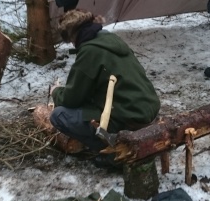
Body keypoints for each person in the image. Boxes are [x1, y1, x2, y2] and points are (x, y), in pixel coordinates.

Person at [49, 9, 160, 167]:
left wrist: (56, 91)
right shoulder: (110, 39)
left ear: (73, 35)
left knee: (59, 115)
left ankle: (113, 153)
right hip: (148, 109)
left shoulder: (89, 51)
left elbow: (70, 99)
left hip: (130, 117)